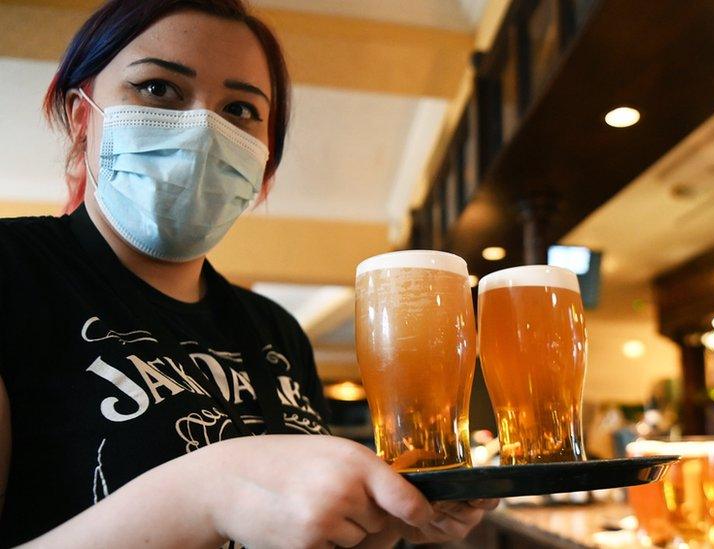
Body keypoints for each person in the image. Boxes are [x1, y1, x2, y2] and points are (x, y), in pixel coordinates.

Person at [0, 1, 496, 547]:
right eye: (159, 89)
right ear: (80, 115)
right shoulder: (15, 272)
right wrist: (204, 492)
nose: (203, 129)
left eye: (239, 108)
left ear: (263, 160)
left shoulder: (276, 330)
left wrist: (385, 520)